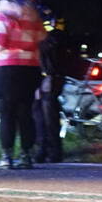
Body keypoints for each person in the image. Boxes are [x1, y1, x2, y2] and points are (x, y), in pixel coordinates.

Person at [0, 0, 46, 169]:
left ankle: (6, 156)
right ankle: (26, 155)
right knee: (26, 113)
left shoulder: (4, 16)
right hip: (30, 69)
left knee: (7, 113)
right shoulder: (34, 17)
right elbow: (41, 37)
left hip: (8, 69)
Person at [33, 11, 72, 162]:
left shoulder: (54, 36)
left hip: (51, 77)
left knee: (49, 114)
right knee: (39, 114)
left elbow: (50, 54)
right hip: (42, 76)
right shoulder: (42, 29)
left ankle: (53, 151)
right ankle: (42, 149)